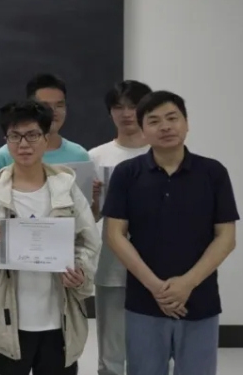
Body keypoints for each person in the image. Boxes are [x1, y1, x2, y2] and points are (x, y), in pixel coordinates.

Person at [0, 100, 100, 375]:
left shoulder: (67, 189)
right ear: (6, 141)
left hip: (59, 320)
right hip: (7, 322)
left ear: (46, 138)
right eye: (15, 136)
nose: (24, 144)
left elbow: (89, 241)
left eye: (32, 135)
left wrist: (80, 273)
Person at [103, 91, 238, 375]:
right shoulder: (127, 173)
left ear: (186, 123)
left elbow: (226, 237)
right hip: (144, 300)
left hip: (200, 299)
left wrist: (187, 283)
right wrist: (155, 287)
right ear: (143, 130)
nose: (165, 126)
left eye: (172, 118)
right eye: (154, 121)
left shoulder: (213, 172)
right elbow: (114, 235)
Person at [87, 80, 152, 375]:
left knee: (155, 347)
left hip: (158, 263)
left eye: (133, 106)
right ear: (110, 112)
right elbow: (90, 218)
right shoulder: (96, 156)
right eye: (118, 107)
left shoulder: (161, 152)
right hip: (112, 264)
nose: (126, 114)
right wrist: (94, 200)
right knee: (111, 351)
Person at [0, 73, 90, 169]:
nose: (53, 112)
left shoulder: (79, 156)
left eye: (59, 105)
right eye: (45, 105)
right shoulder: (6, 156)